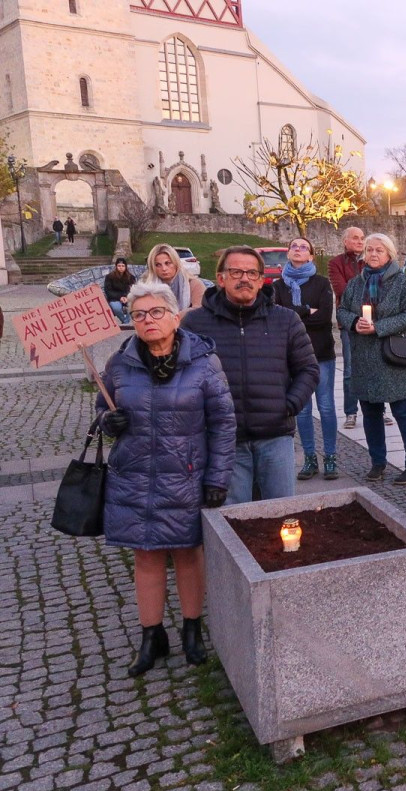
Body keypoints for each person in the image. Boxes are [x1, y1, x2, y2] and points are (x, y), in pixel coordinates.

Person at [97, 282, 236, 677]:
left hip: (186, 477)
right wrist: (109, 420)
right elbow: (101, 410)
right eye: (139, 314)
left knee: (188, 553)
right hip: (135, 476)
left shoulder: (204, 362)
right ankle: (151, 635)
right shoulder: (119, 363)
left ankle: (192, 629)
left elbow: (224, 424)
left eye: (156, 312)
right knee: (146, 555)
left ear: (175, 317)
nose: (147, 320)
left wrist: (217, 477)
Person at [181, 246, 319, 503]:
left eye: (252, 273)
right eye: (236, 272)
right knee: (235, 522)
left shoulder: (285, 320)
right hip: (225, 440)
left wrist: (289, 405)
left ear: (260, 279)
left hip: (275, 435)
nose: (244, 278)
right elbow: (183, 377)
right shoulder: (195, 323)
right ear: (221, 278)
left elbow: (308, 369)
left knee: (282, 515)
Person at [335, 233, 406, 484]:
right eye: (370, 250)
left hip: (392, 355)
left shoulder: (401, 282)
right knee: (370, 411)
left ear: (389, 255)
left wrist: (379, 327)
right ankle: (377, 463)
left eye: (379, 250)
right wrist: (354, 322)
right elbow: (341, 311)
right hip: (364, 355)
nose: (373, 254)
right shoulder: (355, 283)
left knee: (403, 410)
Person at [273, 237, 338, 481]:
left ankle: (330, 457)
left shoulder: (321, 283)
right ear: (288, 254)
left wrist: (294, 315)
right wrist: (304, 311)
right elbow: (277, 317)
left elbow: (323, 318)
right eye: (294, 246)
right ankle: (310, 458)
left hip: (321, 353)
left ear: (311, 256)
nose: (298, 249)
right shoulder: (279, 286)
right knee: (301, 409)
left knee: (326, 406)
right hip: (292, 356)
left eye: (304, 247)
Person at [328, 227, 365, 430]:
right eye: (355, 238)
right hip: (348, 321)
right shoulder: (336, 263)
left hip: (371, 320)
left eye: (362, 238)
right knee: (350, 369)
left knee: (374, 366)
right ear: (345, 241)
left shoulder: (370, 259)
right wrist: (366, 288)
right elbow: (341, 290)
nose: (360, 241)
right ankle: (351, 412)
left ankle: (380, 408)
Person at [142, 243, 205, 312]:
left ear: (176, 263)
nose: (164, 268)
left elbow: (199, 312)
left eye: (168, 263)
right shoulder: (146, 286)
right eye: (158, 265)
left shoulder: (194, 285)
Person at [103, 258, 135, 324]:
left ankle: (126, 322)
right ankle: (125, 322)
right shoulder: (109, 277)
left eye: (123, 266)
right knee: (116, 308)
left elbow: (133, 290)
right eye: (119, 266)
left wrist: (127, 297)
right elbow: (108, 291)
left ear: (125, 267)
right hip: (115, 298)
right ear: (116, 266)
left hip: (127, 298)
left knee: (134, 306)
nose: (121, 268)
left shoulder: (131, 277)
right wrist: (120, 297)